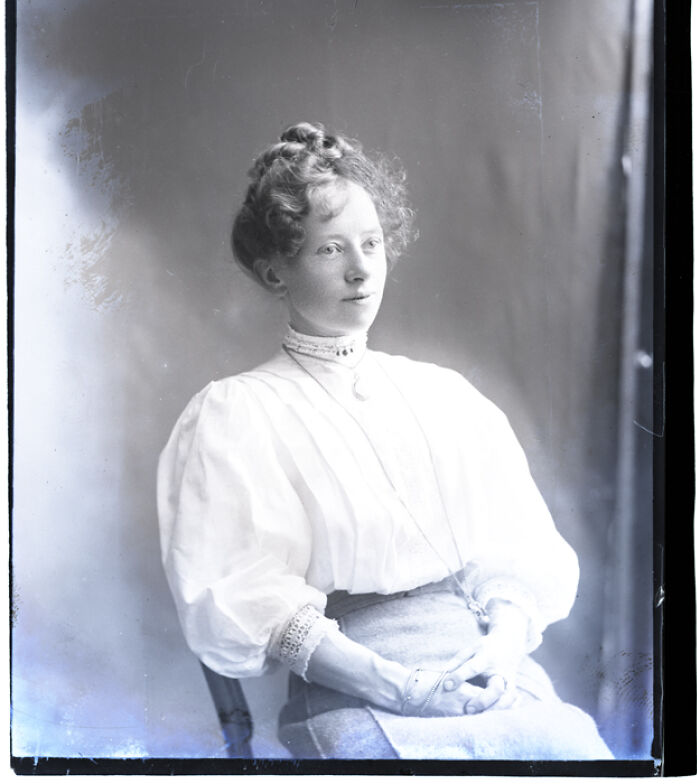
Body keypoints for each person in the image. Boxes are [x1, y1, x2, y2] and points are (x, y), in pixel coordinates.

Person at [157, 122, 613, 760]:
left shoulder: (444, 394)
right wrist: (402, 689)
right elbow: (246, 594)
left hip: (483, 666)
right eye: (330, 249)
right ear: (275, 270)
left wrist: (502, 650)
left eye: (371, 243)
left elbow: (514, 546)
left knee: (574, 756)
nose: (360, 269)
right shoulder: (238, 414)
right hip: (354, 685)